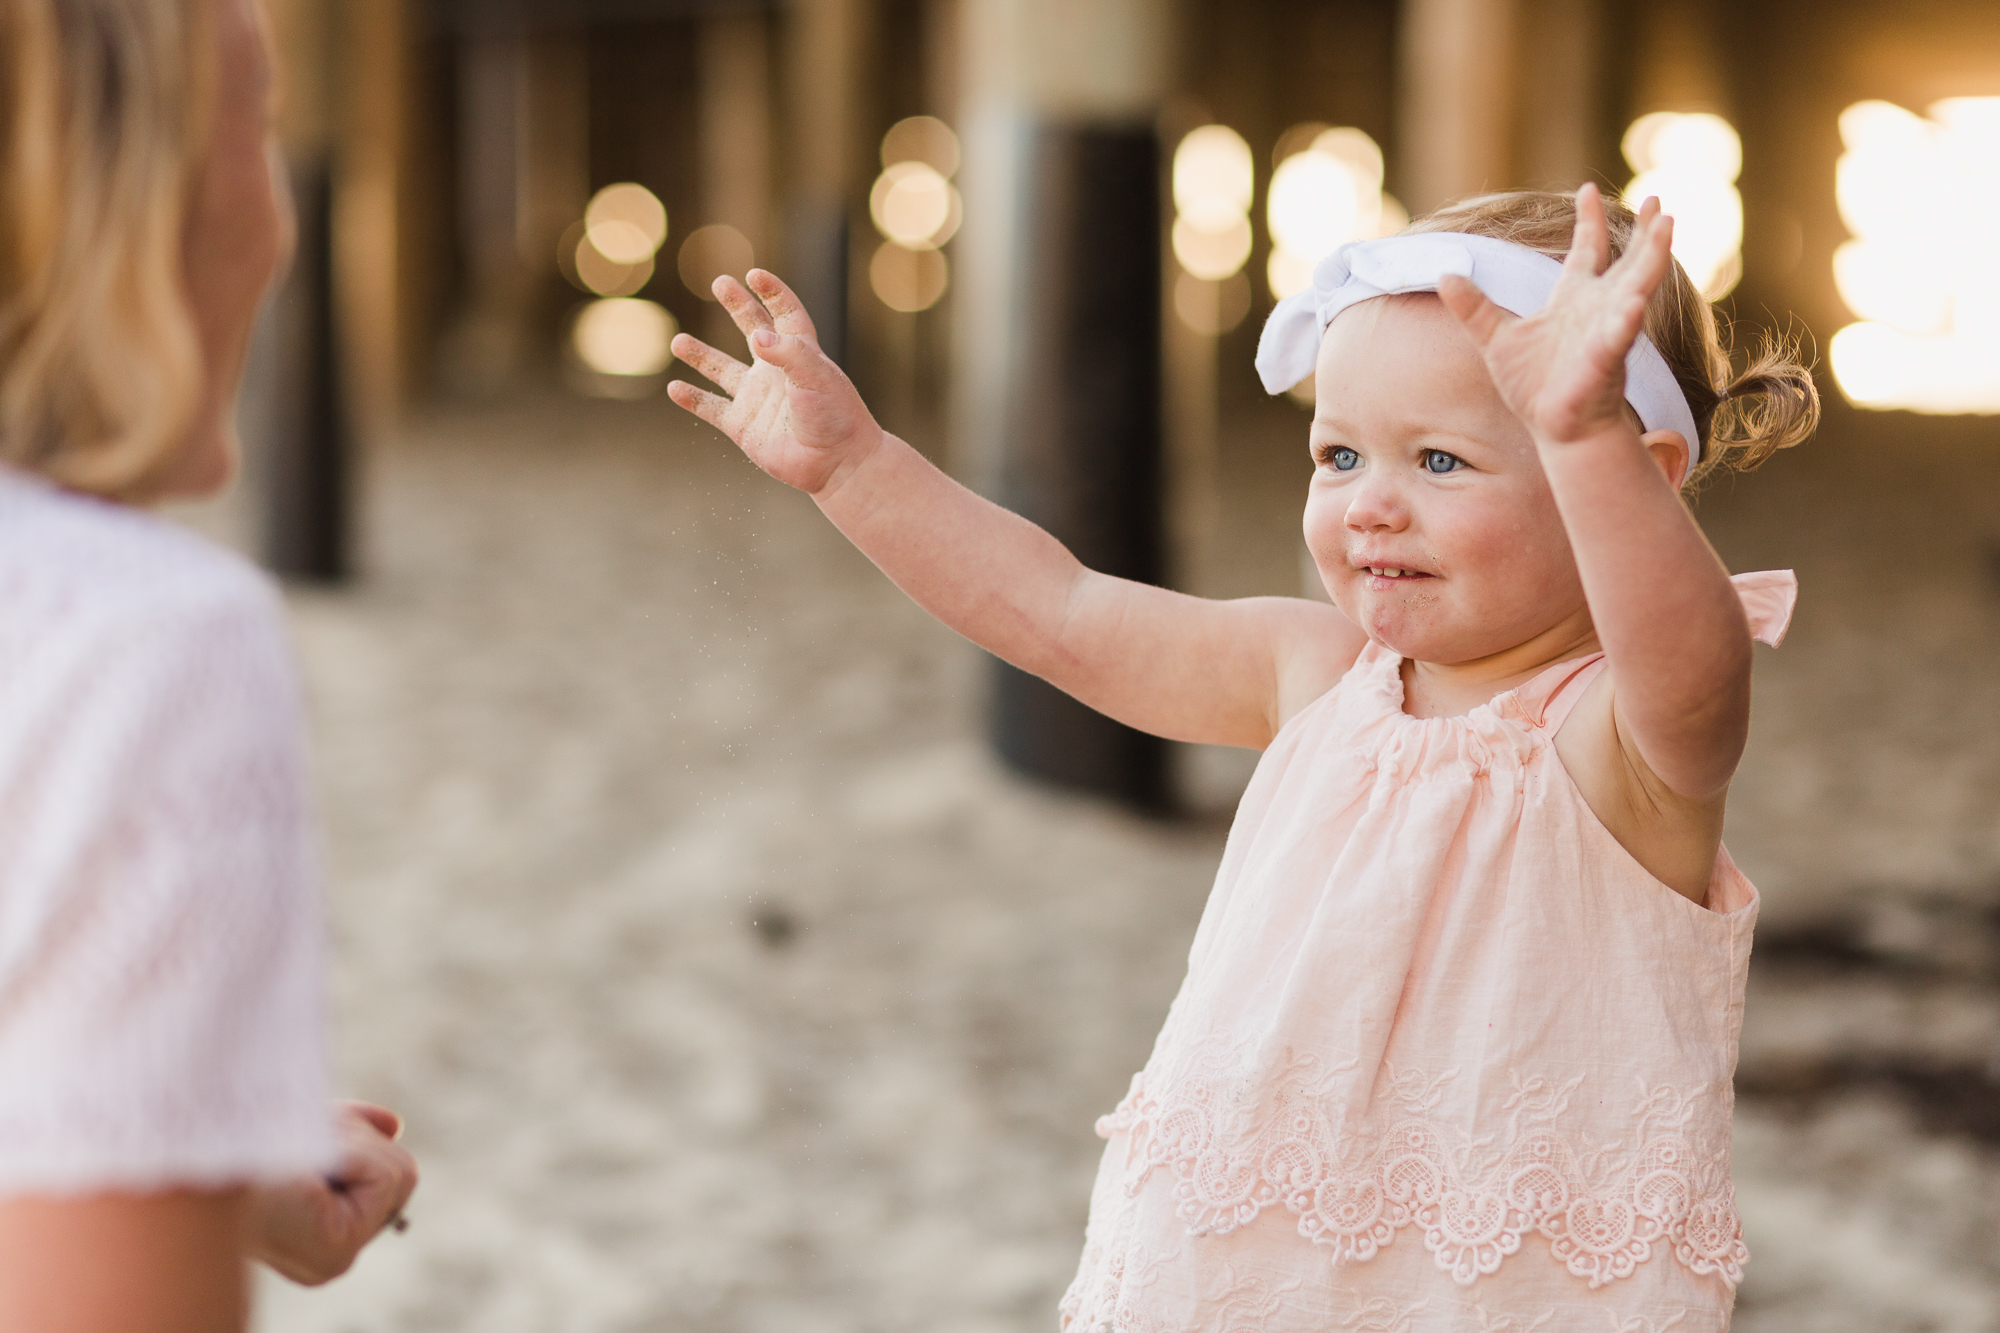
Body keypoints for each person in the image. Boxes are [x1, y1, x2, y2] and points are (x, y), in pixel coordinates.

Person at [666, 180, 1817, 1330]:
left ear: (1637, 474)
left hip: (1495, 1289)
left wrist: (1581, 438)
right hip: (1234, 1270)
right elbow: (1057, 611)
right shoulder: (1312, 674)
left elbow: (1693, 664)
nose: (1369, 506)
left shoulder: (1615, 736)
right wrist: (858, 470)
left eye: (1440, 462)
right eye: (1338, 457)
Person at [0, 0, 416, 1327]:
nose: (282, 219)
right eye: (261, 120)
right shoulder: (141, 643)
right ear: (130, 191)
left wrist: (181, 1146)